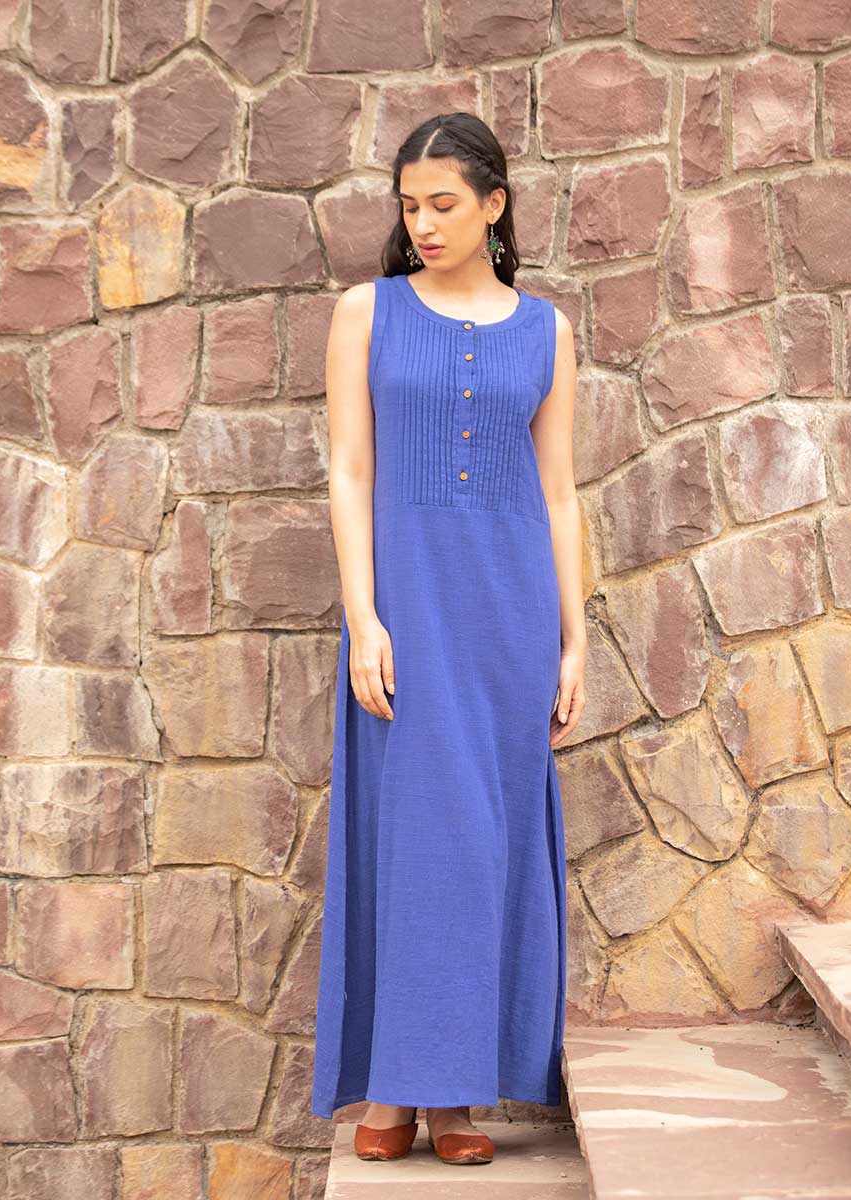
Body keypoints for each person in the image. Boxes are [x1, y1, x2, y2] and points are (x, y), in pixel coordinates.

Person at [310, 111, 586, 1166]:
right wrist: (363, 617)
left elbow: (558, 493)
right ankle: (392, 1088)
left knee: (482, 847)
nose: (422, 224)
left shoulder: (546, 331)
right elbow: (350, 471)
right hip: (407, 611)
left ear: (493, 206)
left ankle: (457, 1098)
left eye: (443, 204)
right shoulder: (366, 313)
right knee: (410, 837)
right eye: (409, 207)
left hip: (509, 616)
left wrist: (574, 641)